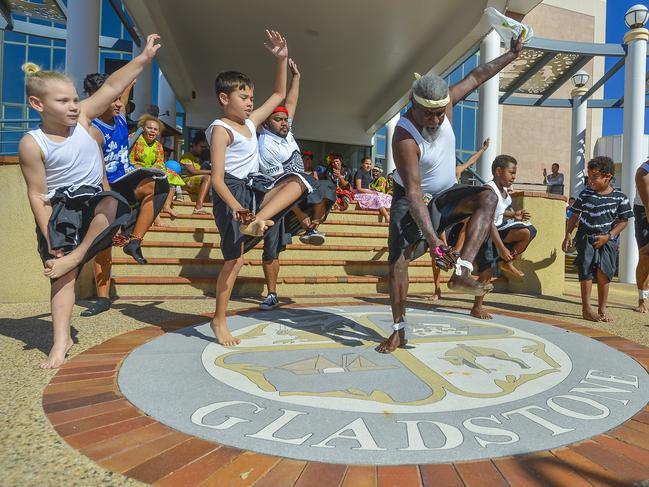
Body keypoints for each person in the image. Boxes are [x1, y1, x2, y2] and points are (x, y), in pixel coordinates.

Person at [17, 34, 160, 368]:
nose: (73, 106)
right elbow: (37, 194)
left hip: (94, 201)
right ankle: (60, 339)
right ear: (38, 105)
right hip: (61, 209)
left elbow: (112, 86)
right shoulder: (32, 143)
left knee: (113, 203)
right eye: (63, 101)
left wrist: (144, 57)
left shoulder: (83, 120)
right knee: (62, 278)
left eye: (74, 99)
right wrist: (50, 236)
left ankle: (77, 257)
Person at [376, 34, 524, 354]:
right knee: (398, 264)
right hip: (412, 198)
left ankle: (462, 273)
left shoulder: (447, 105)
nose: (435, 120)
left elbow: (476, 75)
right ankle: (399, 329)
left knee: (488, 196)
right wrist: (435, 244)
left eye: (440, 113)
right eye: (428, 114)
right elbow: (414, 194)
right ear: (414, 104)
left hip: (447, 192)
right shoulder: (405, 135)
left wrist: (510, 56)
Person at [207, 30, 310, 346]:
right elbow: (217, 179)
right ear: (225, 99)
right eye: (244, 97)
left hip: (256, 191)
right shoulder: (221, 129)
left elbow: (279, 94)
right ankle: (218, 319)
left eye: (252, 97)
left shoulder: (251, 124)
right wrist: (236, 207)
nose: (251, 102)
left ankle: (258, 219)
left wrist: (280, 60)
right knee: (234, 261)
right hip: (232, 195)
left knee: (298, 181)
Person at [81, 72, 169, 316]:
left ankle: (134, 241)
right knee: (103, 244)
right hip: (105, 186)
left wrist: (144, 58)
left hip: (126, 179)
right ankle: (102, 298)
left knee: (160, 184)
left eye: (120, 99)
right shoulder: (92, 129)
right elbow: (99, 174)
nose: (120, 104)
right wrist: (110, 201)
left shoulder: (120, 118)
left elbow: (127, 84)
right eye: (114, 100)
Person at [257, 58, 336, 310]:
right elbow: (281, 188)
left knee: (325, 186)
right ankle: (271, 294)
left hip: (301, 191)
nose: (284, 123)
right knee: (272, 249)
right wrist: (300, 214)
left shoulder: (286, 133)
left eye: (285, 121)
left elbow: (290, 102)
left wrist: (297, 78)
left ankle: (312, 228)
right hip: (278, 199)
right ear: (268, 122)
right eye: (278, 120)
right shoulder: (265, 145)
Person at [563, 156, 633, 322]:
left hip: (607, 239)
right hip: (585, 237)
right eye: (589, 176)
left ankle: (602, 309)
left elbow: (624, 221)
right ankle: (586, 308)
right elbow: (574, 215)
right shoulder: (585, 193)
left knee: (604, 273)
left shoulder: (620, 197)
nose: (590, 180)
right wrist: (568, 234)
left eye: (594, 177)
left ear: (607, 177)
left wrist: (609, 236)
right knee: (585, 271)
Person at [472, 155, 537, 319]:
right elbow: (488, 221)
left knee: (528, 231)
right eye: (511, 173)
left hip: (499, 228)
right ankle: (477, 307)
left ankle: (507, 263)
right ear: (499, 171)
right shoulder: (489, 190)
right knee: (486, 271)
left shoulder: (504, 192)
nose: (514, 177)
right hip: (486, 232)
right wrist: (501, 248)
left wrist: (514, 215)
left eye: (515, 173)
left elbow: (499, 213)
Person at [130, 114, 184, 217]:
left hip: (152, 169)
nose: (152, 131)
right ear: (142, 128)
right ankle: (155, 216)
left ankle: (166, 206)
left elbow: (159, 162)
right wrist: (138, 167)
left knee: (172, 175)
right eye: (149, 128)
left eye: (155, 129)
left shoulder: (158, 145)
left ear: (158, 132)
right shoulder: (135, 138)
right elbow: (128, 157)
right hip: (137, 169)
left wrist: (156, 168)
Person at [180, 131, 211, 214]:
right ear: (194, 145)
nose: (204, 149)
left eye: (205, 147)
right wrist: (212, 171)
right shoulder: (186, 156)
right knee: (208, 177)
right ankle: (198, 207)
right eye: (201, 147)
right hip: (185, 181)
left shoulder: (204, 158)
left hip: (199, 182)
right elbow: (193, 171)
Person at [353, 157, 392, 222]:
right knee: (377, 197)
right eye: (366, 163)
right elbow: (358, 188)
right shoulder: (359, 173)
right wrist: (370, 191)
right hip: (359, 194)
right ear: (362, 164)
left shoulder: (368, 174)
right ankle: (386, 216)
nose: (368, 166)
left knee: (388, 196)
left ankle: (389, 212)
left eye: (370, 164)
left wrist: (372, 191)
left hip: (366, 193)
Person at [634, 160, 649, 313]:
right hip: (644, 211)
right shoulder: (643, 173)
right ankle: (642, 298)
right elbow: (648, 207)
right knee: (645, 255)